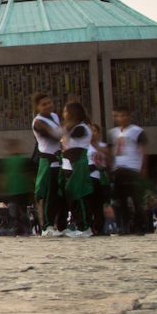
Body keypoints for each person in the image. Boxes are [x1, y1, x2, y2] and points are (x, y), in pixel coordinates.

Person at [108, 105, 148, 236]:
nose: (120, 118)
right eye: (117, 116)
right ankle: (124, 226)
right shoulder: (113, 133)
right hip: (119, 168)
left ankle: (139, 226)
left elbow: (143, 150)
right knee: (121, 200)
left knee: (136, 199)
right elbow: (111, 151)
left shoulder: (137, 131)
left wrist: (143, 167)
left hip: (133, 167)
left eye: (122, 115)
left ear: (128, 116)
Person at [31, 92, 66, 237]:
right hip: (48, 159)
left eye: (49, 102)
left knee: (60, 194)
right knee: (49, 193)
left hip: (59, 159)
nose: (48, 106)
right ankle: (47, 226)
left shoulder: (55, 117)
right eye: (43, 104)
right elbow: (55, 136)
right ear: (37, 107)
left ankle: (61, 225)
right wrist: (69, 127)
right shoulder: (38, 122)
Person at [60, 102, 93, 238]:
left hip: (79, 163)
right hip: (71, 164)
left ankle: (85, 227)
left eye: (66, 112)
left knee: (80, 195)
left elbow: (70, 136)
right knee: (72, 195)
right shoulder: (72, 128)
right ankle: (79, 224)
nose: (64, 115)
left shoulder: (82, 128)